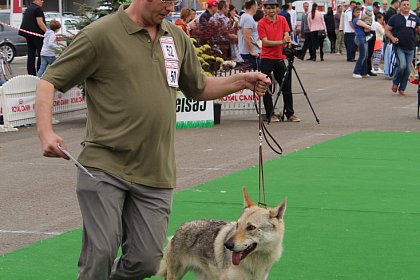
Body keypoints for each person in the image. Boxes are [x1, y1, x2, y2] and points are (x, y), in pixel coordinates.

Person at [34, 0, 271, 279]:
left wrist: (242, 80)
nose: (170, 8)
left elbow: (199, 87)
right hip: (104, 164)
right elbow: (49, 81)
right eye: (164, 1)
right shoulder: (101, 34)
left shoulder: (175, 36)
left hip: (156, 170)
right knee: (100, 253)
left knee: (146, 261)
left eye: (174, 1)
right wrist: (45, 132)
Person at [258, 0, 300, 123]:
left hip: (279, 57)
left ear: (277, 9)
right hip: (267, 58)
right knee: (266, 87)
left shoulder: (282, 19)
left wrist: (287, 40)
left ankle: (290, 113)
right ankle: (271, 114)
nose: (271, 10)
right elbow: (265, 42)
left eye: (273, 8)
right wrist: (281, 42)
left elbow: (287, 34)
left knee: (286, 85)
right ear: (264, 10)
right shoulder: (261, 23)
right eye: (268, 8)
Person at [385, 0, 420, 95]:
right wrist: (392, 38)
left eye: (408, 5)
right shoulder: (394, 18)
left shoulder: (414, 18)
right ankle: (395, 83)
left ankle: (402, 88)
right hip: (399, 46)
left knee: (408, 69)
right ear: (400, 7)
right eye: (404, 5)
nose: (406, 6)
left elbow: (418, 29)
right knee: (402, 66)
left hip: (410, 47)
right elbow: (387, 30)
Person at [19, 0, 47, 76]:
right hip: (37, 35)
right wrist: (48, 32)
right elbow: (40, 23)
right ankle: (39, 72)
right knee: (41, 53)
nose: (42, 1)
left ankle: (31, 73)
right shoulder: (37, 9)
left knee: (31, 54)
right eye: (41, 0)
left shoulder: (29, 8)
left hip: (28, 35)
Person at [238, 0, 260, 70]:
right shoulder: (248, 18)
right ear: (253, 6)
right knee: (256, 75)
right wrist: (251, 51)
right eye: (256, 6)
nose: (257, 8)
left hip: (246, 51)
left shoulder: (244, 16)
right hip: (250, 53)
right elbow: (246, 36)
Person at [353, 6, 372, 78]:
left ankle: (364, 72)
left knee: (366, 55)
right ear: (354, 13)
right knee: (362, 55)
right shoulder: (356, 20)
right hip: (360, 38)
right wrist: (367, 26)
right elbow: (367, 26)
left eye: (359, 12)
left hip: (364, 38)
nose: (358, 13)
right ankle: (356, 72)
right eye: (356, 12)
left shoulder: (360, 19)